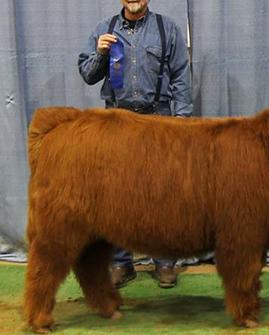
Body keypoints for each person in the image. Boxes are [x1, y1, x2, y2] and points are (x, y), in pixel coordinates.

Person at [78, 0, 193, 289]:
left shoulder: (167, 29)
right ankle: (121, 263)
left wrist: (181, 122)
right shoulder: (104, 29)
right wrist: (100, 54)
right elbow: (88, 75)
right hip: (117, 123)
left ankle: (165, 261)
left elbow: (181, 76)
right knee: (118, 196)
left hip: (158, 121)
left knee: (162, 194)